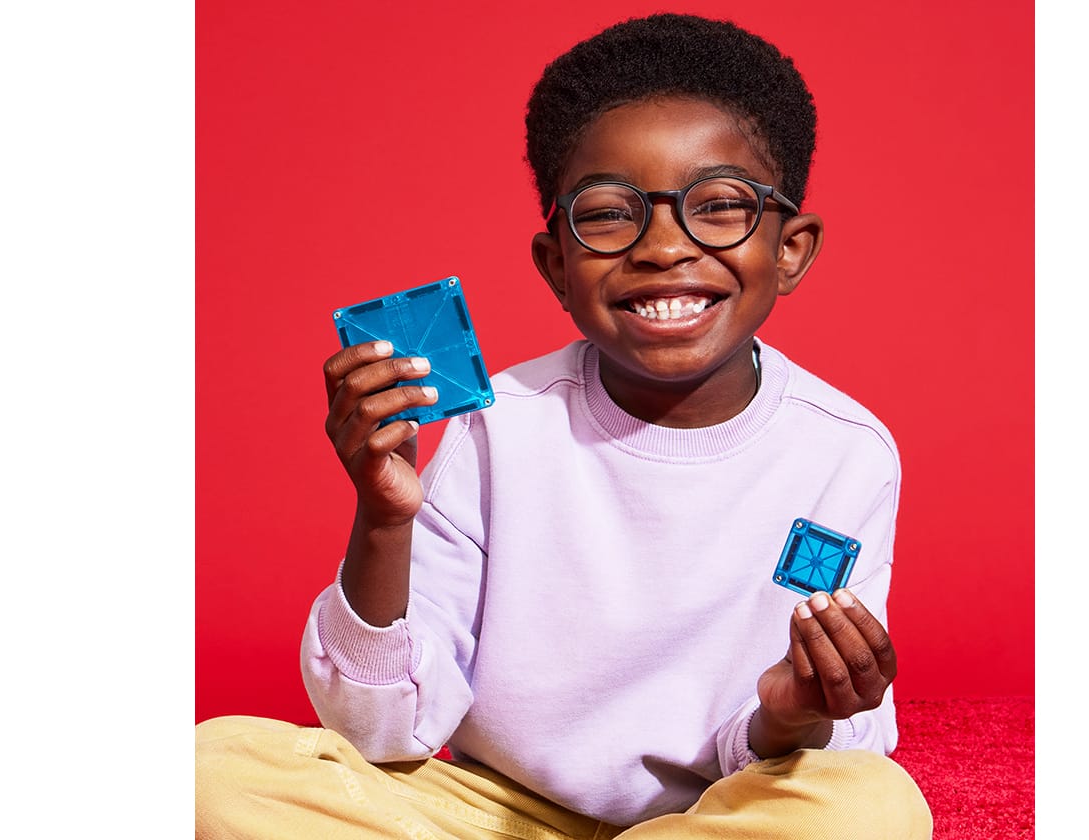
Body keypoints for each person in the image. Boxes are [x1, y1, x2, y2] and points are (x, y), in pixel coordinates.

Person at [197, 12, 932, 839]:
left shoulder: (844, 452)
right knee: (210, 772)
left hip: (710, 816)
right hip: (493, 812)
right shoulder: (498, 429)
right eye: (611, 214)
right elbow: (382, 734)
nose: (661, 247)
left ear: (792, 248)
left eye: (720, 205)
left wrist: (790, 715)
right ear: (556, 265)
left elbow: (837, 748)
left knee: (873, 808)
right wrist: (383, 520)